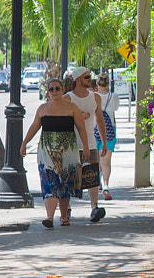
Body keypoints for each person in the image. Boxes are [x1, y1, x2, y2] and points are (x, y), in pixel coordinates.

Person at [21, 77, 102, 227]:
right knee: (49, 182)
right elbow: (34, 127)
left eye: (57, 88)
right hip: (46, 151)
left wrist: (85, 147)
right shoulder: (43, 109)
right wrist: (24, 143)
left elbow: (81, 128)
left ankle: (64, 217)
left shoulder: (72, 108)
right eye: (51, 89)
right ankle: (49, 217)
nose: (54, 91)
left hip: (68, 150)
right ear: (48, 92)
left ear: (63, 90)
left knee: (65, 183)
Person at [65, 66, 113, 209]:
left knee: (92, 177)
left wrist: (104, 142)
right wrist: (78, 114)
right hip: (71, 145)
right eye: (87, 77)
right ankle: (66, 209)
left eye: (90, 77)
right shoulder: (67, 98)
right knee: (68, 178)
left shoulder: (95, 97)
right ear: (78, 80)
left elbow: (100, 121)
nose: (90, 80)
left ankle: (94, 207)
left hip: (91, 143)